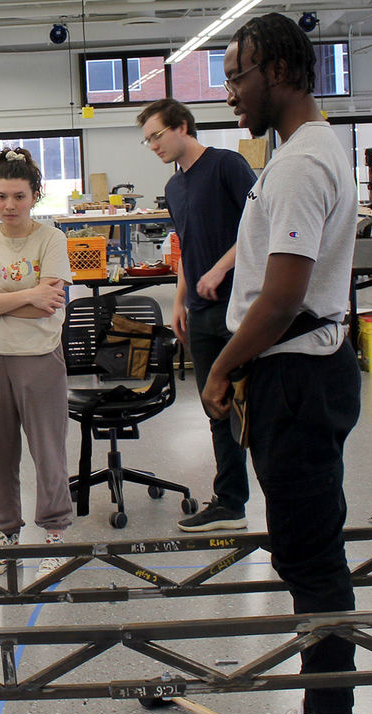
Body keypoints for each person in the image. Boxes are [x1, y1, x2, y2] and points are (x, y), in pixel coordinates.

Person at [203, 13, 367, 714]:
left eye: (237, 77)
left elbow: (282, 298)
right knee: (307, 551)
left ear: (277, 68)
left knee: (312, 555)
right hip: (298, 374)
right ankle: (319, 706)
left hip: (294, 378)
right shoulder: (298, 154)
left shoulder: (303, 162)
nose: (231, 94)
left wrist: (221, 369)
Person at [138, 98, 257, 533]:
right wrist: (179, 300)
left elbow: (258, 227)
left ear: (183, 126)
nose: (152, 145)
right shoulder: (174, 187)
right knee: (217, 407)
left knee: (256, 405)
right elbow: (186, 248)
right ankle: (230, 502)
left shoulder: (228, 166)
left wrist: (221, 268)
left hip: (243, 307)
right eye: (147, 140)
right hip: (201, 312)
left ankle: (282, 497)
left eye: (157, 135)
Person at [0, 147, 74, 578]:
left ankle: (54, 533)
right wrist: (27, 294)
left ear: (34, 196)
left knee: (48, 449)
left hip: (38, 358)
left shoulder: (51, 239)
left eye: (19, 197)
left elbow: (48, 307)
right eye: (1, 196)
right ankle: (7, 532)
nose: (8, 205)